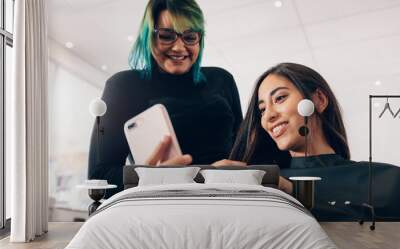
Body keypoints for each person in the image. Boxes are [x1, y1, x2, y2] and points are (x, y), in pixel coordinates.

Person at [88, 0, 243, 198]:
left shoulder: (222, 79)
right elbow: (98, 178)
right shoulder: (123, 86)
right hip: (160, 203)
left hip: (225, 199)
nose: (179, 47)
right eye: (167, 36)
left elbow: (243, 152)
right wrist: (152, 177)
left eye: (190, 37)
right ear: (148, 37)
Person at [228, 62, 400, 220]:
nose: (269, 116)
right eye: (262, 110)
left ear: (319, 100)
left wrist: (291, 193)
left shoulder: (386, 180)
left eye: (280, 98)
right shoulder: (259, 185)